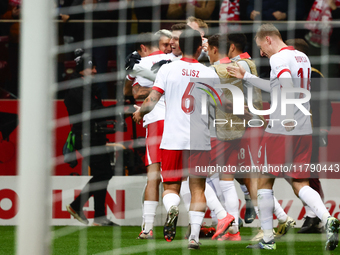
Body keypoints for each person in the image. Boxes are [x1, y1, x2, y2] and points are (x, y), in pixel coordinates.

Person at [133, 28, 250, 249]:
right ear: (199, 48)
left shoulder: (168, 70)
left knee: (170, 187)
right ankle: (194, 237)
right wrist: (241, 109)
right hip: (199, 138)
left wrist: (141, 112)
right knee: (198, 188)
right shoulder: (208, 72)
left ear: (179, 46)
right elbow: (221, 103)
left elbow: (152, 99)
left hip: (172, 138)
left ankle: (172, 209)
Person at [227, 23, 339, 251]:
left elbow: (286, 86)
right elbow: (277, 85)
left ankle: (267, 239)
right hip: (304, 128)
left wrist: (285, 115)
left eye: (261, 47)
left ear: (268, 39)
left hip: (282, 129)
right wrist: (246, 76)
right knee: (300, 183)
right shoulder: (302, 57)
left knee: (262, 182)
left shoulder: (277, 59)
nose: (261, 53)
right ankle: (329, 219)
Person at [286, 38, 333, 234]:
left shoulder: (313, 75)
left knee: (308, 175)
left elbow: (325, 105)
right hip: (295, 131)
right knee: (294, 174)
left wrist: (322, 129)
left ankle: (314, 218)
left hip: (311, 131)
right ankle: (314, 215)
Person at [128, 33, 173, 239]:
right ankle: (193, 228)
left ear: (143, 47)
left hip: (156, 120)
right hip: (180, 122)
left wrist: (155, 89)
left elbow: (136, 94)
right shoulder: (176, 61)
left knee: (153, 175)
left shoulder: (142, 62)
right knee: (182, 175)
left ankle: (147, 228)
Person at [64, 49, 116, 226]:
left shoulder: (84, 86)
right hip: (86, 137)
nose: (95, 71)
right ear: (81, 69)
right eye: (91, 68)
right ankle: (77, 205)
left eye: (94, 67)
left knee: (102, 173)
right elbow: (95, 111)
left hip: (92, 135)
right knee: (103, 173)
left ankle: (99, 217)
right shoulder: (78, 87)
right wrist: (118, 109)